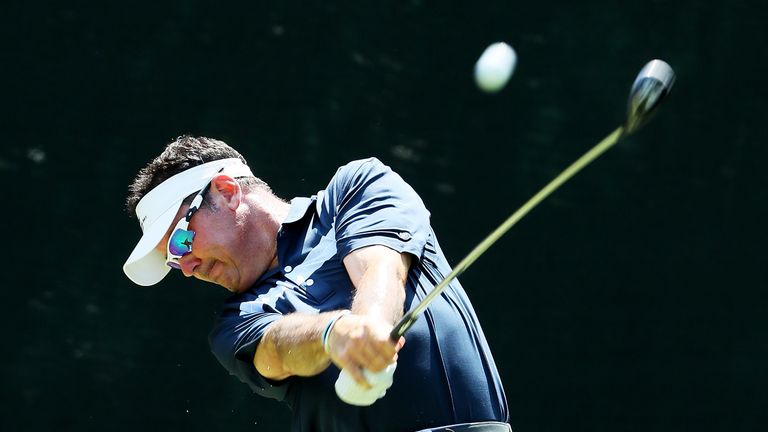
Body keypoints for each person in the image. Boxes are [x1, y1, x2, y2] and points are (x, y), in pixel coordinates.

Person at [123, 136, 510, 432]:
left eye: (180, 241)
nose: (185, 267)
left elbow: (381, 266)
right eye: (171, 261)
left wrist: (369, 327)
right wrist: (333, 335)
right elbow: (275, 350)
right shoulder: (232, 323)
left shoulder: (355, 188)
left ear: (226, 192)